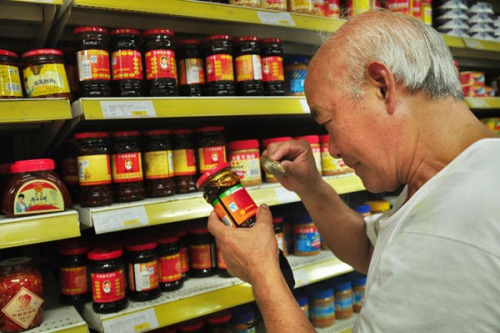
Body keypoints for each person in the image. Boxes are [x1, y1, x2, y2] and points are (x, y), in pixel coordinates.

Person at [208, 10, 500, 332]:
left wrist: (262, 273)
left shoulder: (452, 231)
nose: (331, 148)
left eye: (327, 123)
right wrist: (310, 186)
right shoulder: (464, 172)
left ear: (382, 87)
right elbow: (370, 251)